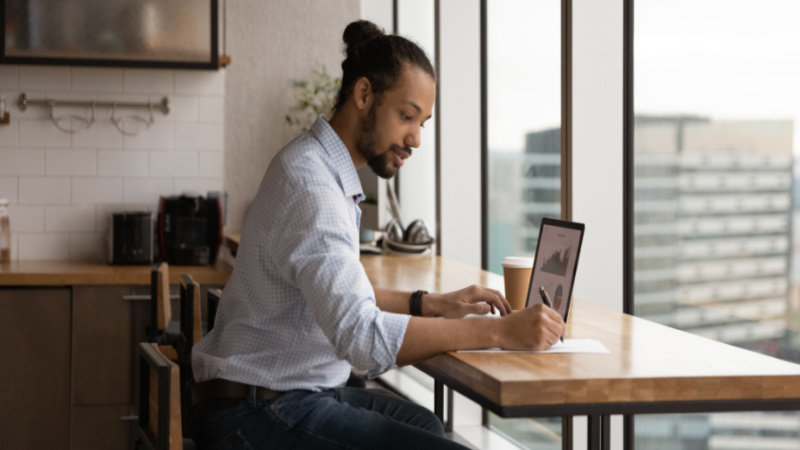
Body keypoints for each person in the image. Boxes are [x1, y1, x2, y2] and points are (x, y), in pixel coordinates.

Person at [191, 20, 565, 450]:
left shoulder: (321, 168)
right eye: (407, 116)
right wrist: (502, 332)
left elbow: (344, 293)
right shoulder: (313, 188)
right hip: (254, 412)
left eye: (422, 122)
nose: (417, 139)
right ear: (364, 94)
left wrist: (432, 304)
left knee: (423, 423)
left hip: (273, 392)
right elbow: (362, 339)